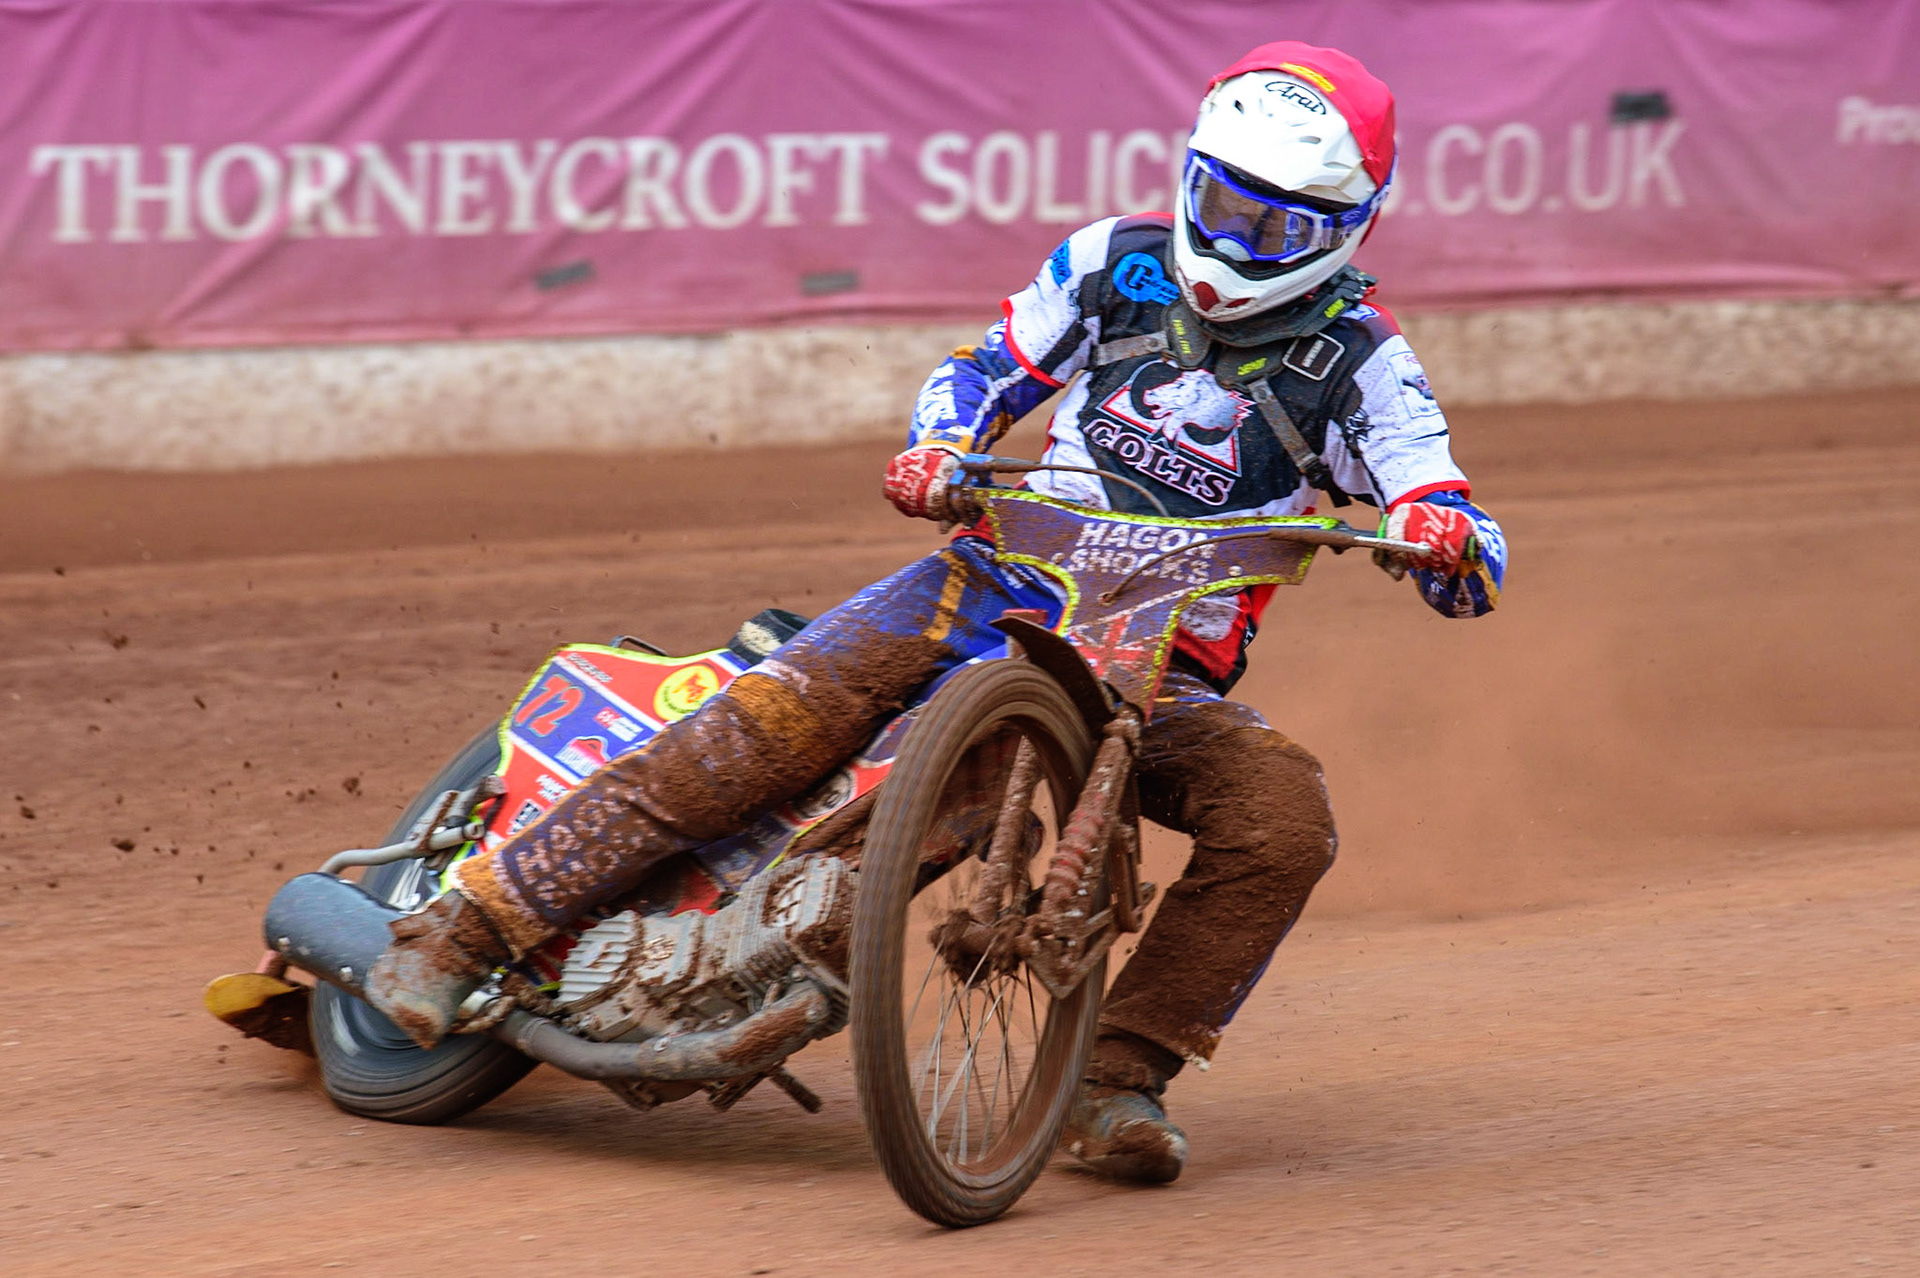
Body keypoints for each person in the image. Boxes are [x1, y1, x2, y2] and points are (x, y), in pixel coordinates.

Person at [363, 41, 1505, 1185]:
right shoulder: (1113, 263)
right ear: (1189, 177)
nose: (1236, 242)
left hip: (1162, 669)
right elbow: (984, 370)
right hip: (988, 585)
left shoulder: (1365, 362)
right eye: (1221, 204)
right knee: (762, 728)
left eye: (1277, 226)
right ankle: (462, 931)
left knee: (1285, 819)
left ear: (1347, 228)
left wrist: (1448, 543)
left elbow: (1439, 498)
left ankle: (1115, 1080)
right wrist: (940, 444)